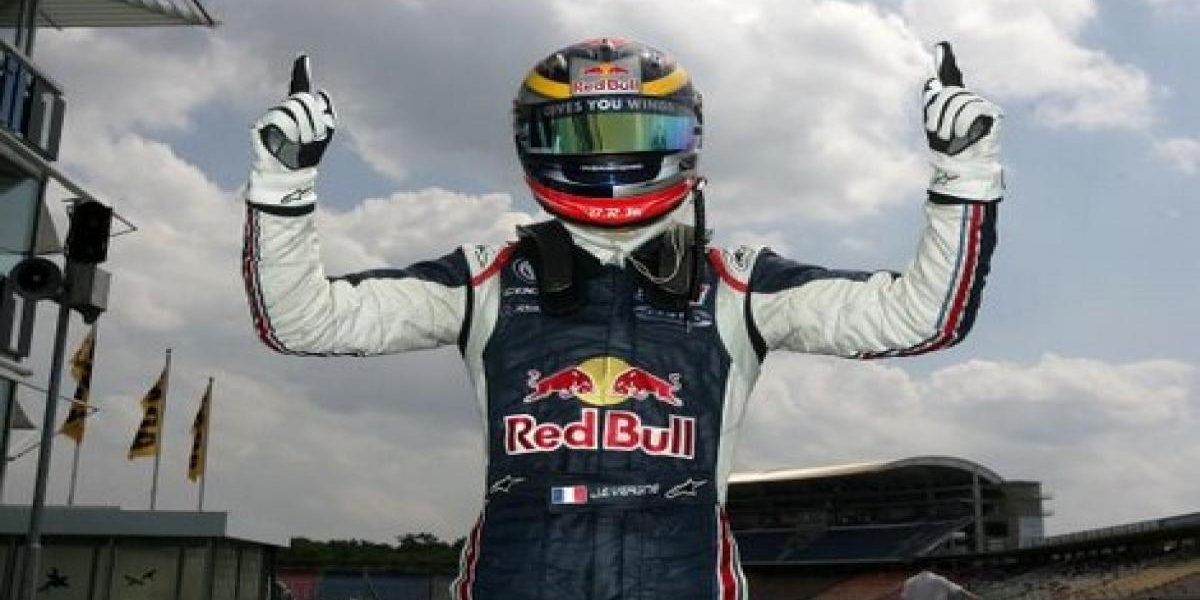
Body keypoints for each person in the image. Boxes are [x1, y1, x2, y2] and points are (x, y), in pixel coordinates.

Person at [241, 38, 1002, 600]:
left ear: (687, 140)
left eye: (641, 132)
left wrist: (963, 175)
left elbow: (918, 319)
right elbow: (304, 323)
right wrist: (283, 186)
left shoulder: (737, 280)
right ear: (536, 144)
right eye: (582, 134)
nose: (610, 156)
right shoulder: (486, 276)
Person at [901, 570, 981, 600]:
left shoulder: (909, 582)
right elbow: (960, 591)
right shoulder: (939, 579)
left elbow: (904, 597)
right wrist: (975, 597)